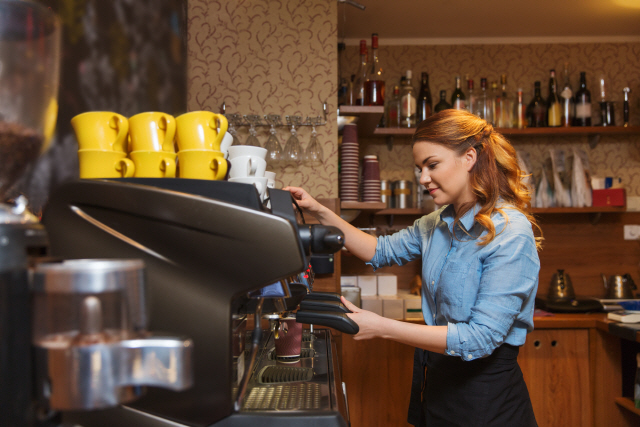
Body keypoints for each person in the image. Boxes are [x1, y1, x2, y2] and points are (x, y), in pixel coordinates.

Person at [284, 109, 542, 427]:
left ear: (470, 157)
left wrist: (382, 327)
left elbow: (480, 339)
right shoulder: (435, 224)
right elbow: (378, 250)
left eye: (432, 165)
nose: (422, 179)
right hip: (437, 384)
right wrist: (319, 210)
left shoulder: (510, 231)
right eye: (420, 168)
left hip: (487, 398)